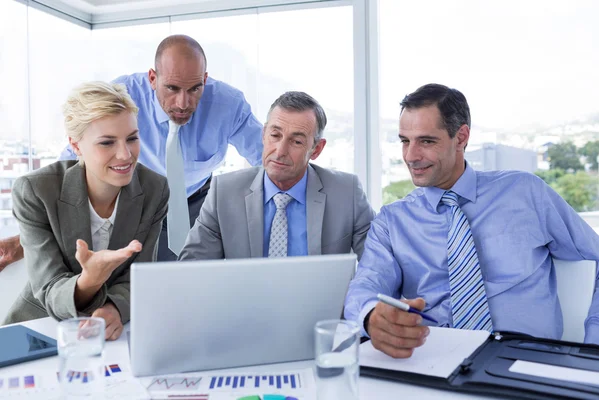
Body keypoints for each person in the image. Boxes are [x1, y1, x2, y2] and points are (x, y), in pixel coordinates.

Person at [344, 83, 599, 358]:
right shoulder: (392, 222)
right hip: (435, 362)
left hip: (528, 362)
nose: (411, 156)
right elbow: (365, 286)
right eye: (405, 141)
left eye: (426, 141)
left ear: (461, 137)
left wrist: (593, 344)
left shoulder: (525, 193)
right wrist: (371, 317)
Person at [0, 34, 263, 264]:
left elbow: (267, 157)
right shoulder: (122, 96)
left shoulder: (228, 105)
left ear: (205, 79)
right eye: (172, 88)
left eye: (195, 89)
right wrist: (26, 238)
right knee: (133, 286)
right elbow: (73, 164)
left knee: (198, 282)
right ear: (152, 78)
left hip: (195, 202)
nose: (183, 102)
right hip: (137, 202)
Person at [3, 82, 169, 341]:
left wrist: (115, 307)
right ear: (77, 146)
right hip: (38, 329)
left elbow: (140, 276)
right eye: (107, 143)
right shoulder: (35, 191)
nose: (125, 155)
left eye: (132, 138)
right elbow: (48, 288)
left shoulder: (154, 189)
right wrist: (90, 280)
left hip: (114, 331)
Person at [179, 91, 375, 261]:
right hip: (245, 304)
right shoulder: (223, 192)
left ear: (316, 149)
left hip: (323, 305)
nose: (280, 151)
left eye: (296, 141)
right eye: (275, 135)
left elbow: (379, 263)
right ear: (264, 135)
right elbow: (191, 269)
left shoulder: (347, 193)